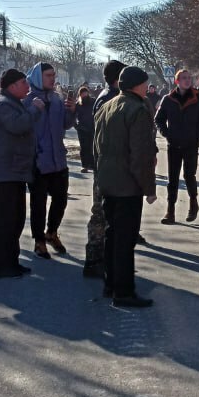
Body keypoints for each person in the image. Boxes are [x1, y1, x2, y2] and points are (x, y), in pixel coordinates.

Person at [94, 66, 158, 307]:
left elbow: (96, 148)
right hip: (127, 185)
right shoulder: (137, 109)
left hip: (108, 181)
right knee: (125, 239)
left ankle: (111, 284)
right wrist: (149, 188)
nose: (146, 86)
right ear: (136, 85)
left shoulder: (106, 107)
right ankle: (124, 291)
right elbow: (140, 155)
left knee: (112, 235)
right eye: (144, 82)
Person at [0, 68, 41, 278]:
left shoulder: (13, 102)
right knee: (4, 221)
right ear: (12, 86)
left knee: (15, 219)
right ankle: (0, 265)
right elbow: (17, 126)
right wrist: (34, 110)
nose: (28, 87)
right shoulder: (2, 103)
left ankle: (11, 261)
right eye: (24, 83)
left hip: (14, 170)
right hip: (3, 172)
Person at [24, 62, 76, 258]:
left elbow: (66, 124)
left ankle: (51, 232)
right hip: (38, 160)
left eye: (54, 75)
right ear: (38, 77)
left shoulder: (56, 99)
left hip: (58, 160)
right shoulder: (28, 101)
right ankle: (39, 241)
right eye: (48, 75)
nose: (53, 79)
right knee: (38, 204)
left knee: (61, 200)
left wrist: (72, 111)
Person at [83, 60, 126, 278]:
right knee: (101, 213)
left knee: (105, 213)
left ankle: (101, 259)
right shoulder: (109, 99)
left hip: (107, 163)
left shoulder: (108, 95)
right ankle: (95, 259)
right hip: (107, 165)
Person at [154, 69, 199, 224]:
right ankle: (170, 211)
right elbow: (158, 119)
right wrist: (167, 134)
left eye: (189, 78)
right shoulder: (168, 99)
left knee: (189, 175)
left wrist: (197, 134)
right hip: (174, 144)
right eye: (183, 78)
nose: (187, 80)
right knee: (172, 178)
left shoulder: (198, 98)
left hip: (191, 144)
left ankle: (193, 203)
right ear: (176, 81)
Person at [75, 85, 96, 173]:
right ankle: (85, 165)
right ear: (80, 94)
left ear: (88, 92)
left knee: (92, 147)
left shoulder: (93, 101)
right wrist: (77, 126)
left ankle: (92, 165)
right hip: (82, 129)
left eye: (85, 92)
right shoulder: (78, 104)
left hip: (92, 127)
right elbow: (73, 116)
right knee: (84, 148)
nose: (84, 94)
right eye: (82, 93)